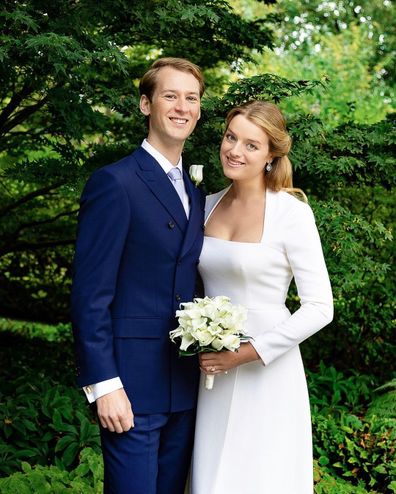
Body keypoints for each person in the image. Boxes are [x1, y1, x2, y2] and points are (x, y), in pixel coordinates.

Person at [71, 57, 205, 494]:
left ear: (200, 110)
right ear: (146, 105)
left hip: (185, 386)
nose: (181, 107)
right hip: (129, 386)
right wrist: (104, 384)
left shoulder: (198, 194)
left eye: (191, 98)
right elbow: (90, 295)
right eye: (170, 96)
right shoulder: (115, 183)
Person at [191, 100, 333, 494]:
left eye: (251, 145)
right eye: (230, 137)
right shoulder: (203, 207)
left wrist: (245, 353)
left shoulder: (292, 214)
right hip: (211, 369)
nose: (235, 150)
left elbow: (320, 307)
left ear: (271, 155)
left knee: (263, 474)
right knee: (212, 472)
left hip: (267, 368)